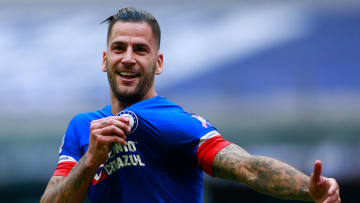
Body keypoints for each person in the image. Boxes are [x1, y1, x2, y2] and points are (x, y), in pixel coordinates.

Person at [40, 7, 341, 203]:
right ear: (105, 60)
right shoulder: (83, 128)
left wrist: (307, 188)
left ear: (158, 63)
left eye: (140, 50)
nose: (128, 58)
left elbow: (247, 167)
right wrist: (90, 160)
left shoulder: (174, 122)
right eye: (119, 48)